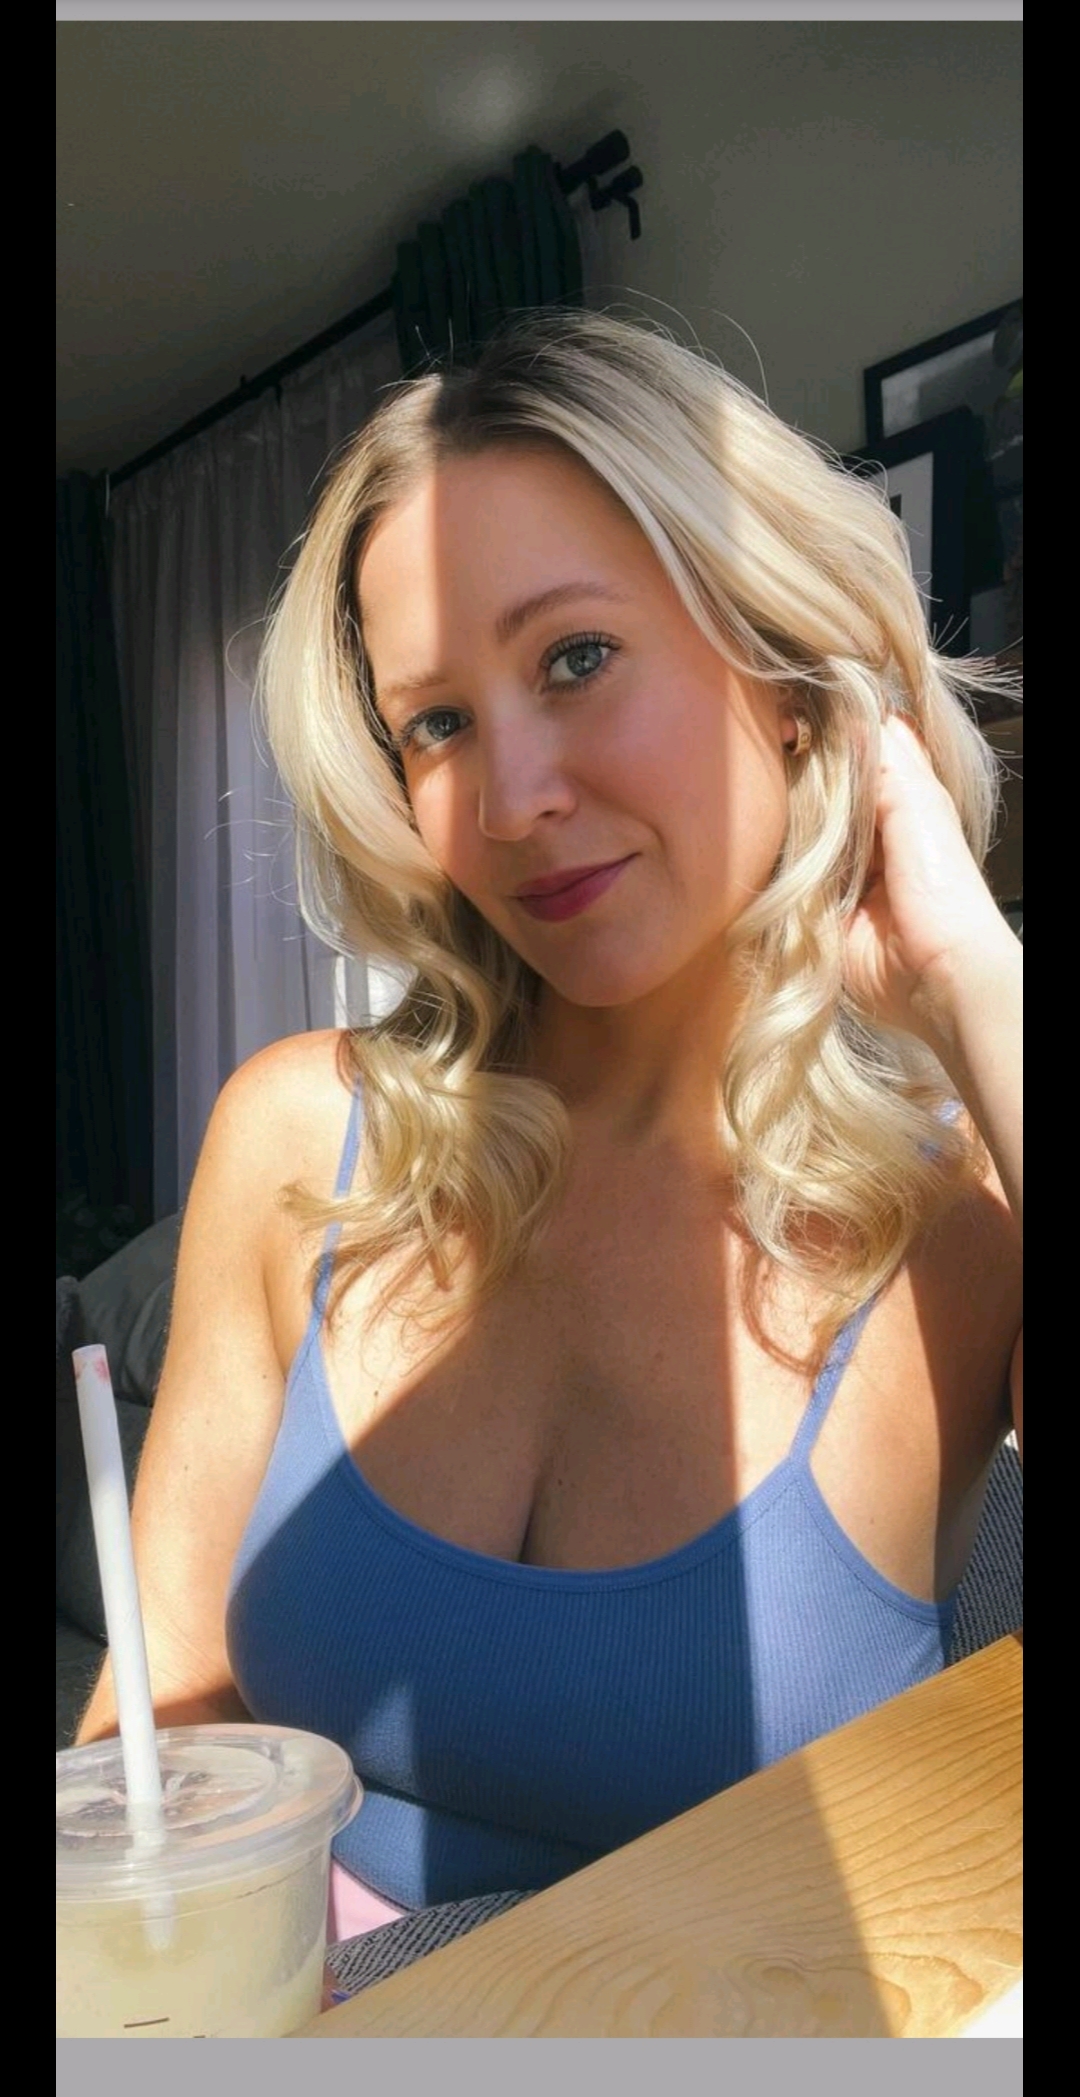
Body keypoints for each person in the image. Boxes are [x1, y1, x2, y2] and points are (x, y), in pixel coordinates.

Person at [78, 310, 1022, 1948]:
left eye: (576, 657)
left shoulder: (959, 1214)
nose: (510, 801)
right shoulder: (299, 1137)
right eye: (437, 723)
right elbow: (150, 1733)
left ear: (788, 677)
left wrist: (969, 974)